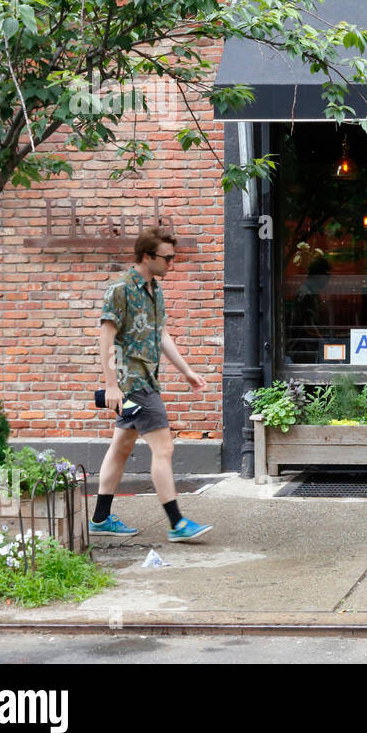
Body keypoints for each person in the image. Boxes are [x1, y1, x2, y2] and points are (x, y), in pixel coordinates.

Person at [92, 227, 212, 542]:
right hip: (133, 384)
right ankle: (177, 523)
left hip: (145, 380)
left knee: (121, 448)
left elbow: (160, 335)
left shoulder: (154, 290)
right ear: (147, 256)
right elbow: (106, 337)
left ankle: (101, 518)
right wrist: (111, 385)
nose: (172, 263)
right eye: (167, 258)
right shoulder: (120, 289)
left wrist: (186, 371)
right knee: (164, 448)